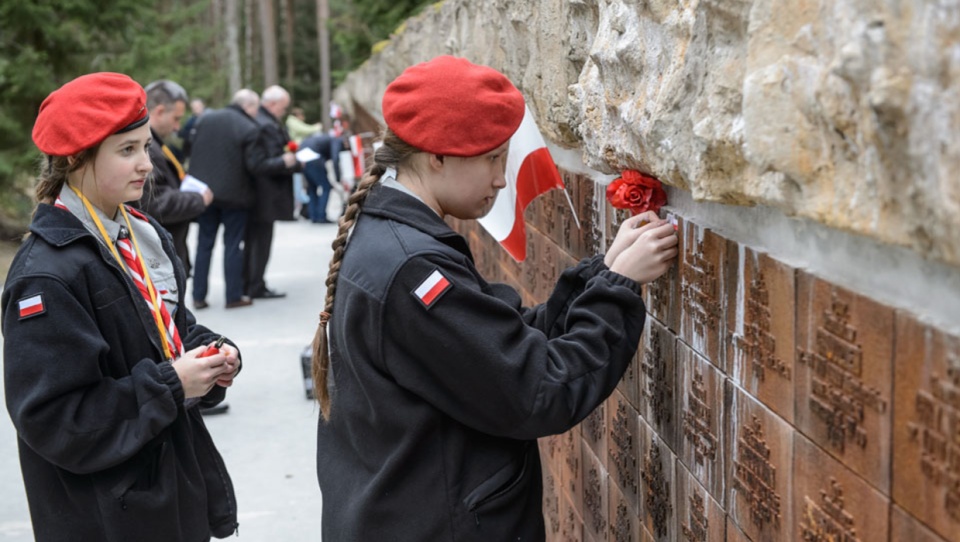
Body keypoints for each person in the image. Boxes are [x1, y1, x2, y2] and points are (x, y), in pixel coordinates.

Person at [310, 56, 679, 540]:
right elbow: (537, 392)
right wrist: (618, 289)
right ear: (436, 155)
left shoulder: (394, 235)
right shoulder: (413, 272)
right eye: (491, 159)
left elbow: (497, 344)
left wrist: (603, 272)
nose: (502, 179)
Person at [2, 72, 241, 541]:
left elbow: (166, 328)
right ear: (74, 158)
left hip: (168, 493)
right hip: (107, 517)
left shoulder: (139, 232)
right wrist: (171, 383)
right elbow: (55, 421)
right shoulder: (46, 276)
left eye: (146, 146)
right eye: (126, 150)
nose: (146, 164)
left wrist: (211, 354)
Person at [188, 89, 264, 309]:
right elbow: (253, 165)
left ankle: (198, 296)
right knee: (232, 244)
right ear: (248, 106)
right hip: (235, 196)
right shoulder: (248, 127)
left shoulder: (205, 119)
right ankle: (233, 295)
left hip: (205, 195)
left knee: (204, 244)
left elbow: (190, 148)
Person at [136, 79, 213, 277]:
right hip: (158, 261)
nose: (178, 126)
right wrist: (198, 199)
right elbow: (155, 204)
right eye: (176, 118)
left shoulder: (155, 144)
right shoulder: (147, 149)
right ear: (160, 111)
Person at [244, 85, 300, 300]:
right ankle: (256, 284)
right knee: (260, 240)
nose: (283, 112)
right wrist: (286, 161)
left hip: (259, 194)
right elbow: (262, 162)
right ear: (273, 104)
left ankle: (252, 282)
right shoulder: (265, 124)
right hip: (264, 194)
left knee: (256, 240)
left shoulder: (261, 120)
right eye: (283, 108)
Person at [299, 132, 342, 223]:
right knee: (326, 187)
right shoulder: (336, 140)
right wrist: (338, 178)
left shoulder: (322, 137)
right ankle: (321, 215)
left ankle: (313, 216)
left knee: (312, 188)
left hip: (302, 158)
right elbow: (335, 158)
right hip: (314, 157)